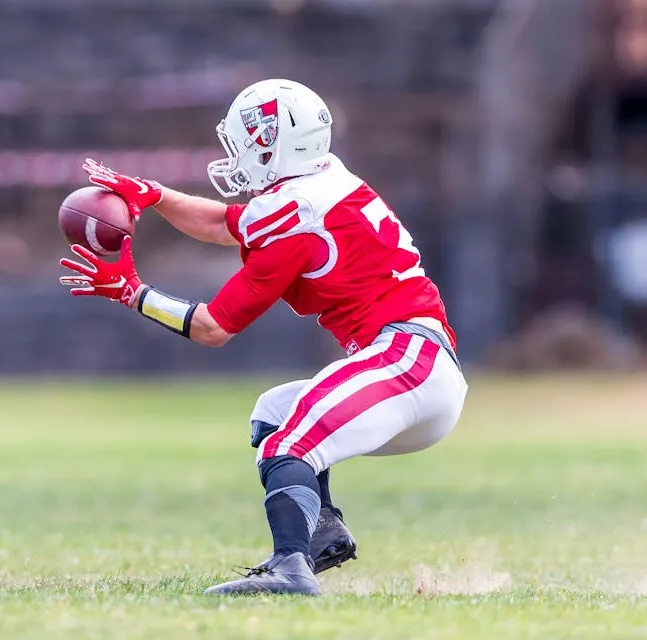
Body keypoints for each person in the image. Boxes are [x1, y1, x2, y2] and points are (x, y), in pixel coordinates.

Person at [60, 79, 468, 596]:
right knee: (275, 411)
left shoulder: (296, 213)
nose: (237, 155)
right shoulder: (322, 184)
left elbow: (213, 327)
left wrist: (132, 293)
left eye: (245, 143)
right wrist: (157, 196)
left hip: (404, 358)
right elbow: (228, 224)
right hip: (415, 363)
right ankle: (321, 533)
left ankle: (290, 569)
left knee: (288, 442)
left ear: (274, 144)